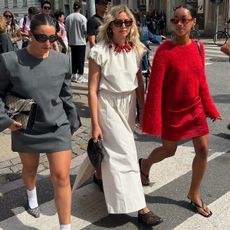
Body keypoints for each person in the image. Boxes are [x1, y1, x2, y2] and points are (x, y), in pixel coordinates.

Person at [0, 14, 81, 230]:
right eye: (41, 37)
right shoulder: (9, 60)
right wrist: (4, 120)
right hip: (25, 126)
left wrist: (73, 121)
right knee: (30, 167)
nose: (47, 43)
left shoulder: (63, 60)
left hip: (57, 126)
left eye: (52, 38)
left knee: (61, 177)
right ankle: (31, 196)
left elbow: (66, 94)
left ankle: (66, 227)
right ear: (29, 35)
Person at [141, 4, 221, 218]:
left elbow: (201, 81)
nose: (179, 24)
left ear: (193, 22)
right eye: (175, 20)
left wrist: (210, 108)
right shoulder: (165, 51)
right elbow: (155, 89)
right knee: (169, 150)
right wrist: (152, 119)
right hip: (172, 111)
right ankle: (145, 164)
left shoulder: (198, 47)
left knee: (203, 150)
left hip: (194, 108)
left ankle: (194, 193)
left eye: (184, 19)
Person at [88, 5, 163, 226]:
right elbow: (92, 90)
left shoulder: (137, 49)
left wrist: (143, 108)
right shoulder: (99, 51)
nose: (123, 26)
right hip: (107, 104)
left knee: (113, 151)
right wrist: (95, 124)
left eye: (127, 22)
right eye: (119, 22)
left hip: (128, 104)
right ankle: (142, 208)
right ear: (110, 25)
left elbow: (139, 82)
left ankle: (99, 176)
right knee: (127, 154)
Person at [65, 2, 88, 83]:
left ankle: (74, 75)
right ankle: (80, 76)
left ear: (73, 8)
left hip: (72, 41)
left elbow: (66, 30)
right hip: (81, 41)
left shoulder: (68, 17)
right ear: (80, 8)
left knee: (74, 59)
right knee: (80, 59)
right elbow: (85, 30)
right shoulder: (83, 18)